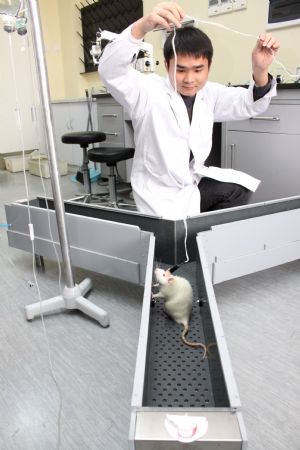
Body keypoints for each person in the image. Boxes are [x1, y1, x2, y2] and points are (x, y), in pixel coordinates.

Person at [98, 2, 280, 219]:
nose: (189, 79)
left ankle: (203, 240)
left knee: (238, 189)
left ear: (209, 67)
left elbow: (249, 104)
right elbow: (111, 70)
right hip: (157, 193)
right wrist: (143, 26)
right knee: (169, 245)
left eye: (198, 69)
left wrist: (260, 70)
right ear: (167, 66)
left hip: (189, 184)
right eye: (181, 70)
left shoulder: (209, 94)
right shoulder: (147, 91)